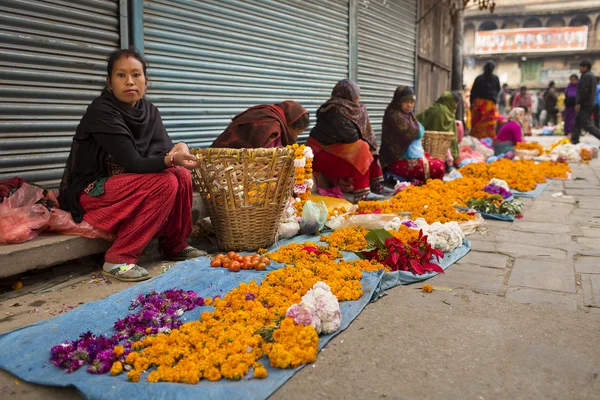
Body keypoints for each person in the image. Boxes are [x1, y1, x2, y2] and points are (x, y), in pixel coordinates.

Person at [59, 48, 206, 282]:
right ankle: (118, 258)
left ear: (146, 81)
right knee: (166, 181)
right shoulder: (102, 111)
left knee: (181, 175)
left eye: (136, 75)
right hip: (93, 190)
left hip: (131, 184)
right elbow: (135, 162)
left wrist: (181, 146)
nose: (130, 81)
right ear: (109, 82)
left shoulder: (149, 111)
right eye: (121, 75)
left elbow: (164, 153)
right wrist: (170, 158)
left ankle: (175, 244)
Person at [307, 79, 385, 203]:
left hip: (335, 152)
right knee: (362, 148)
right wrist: (361, 116)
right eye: (356, 95)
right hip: (321, 156)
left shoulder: (347, 109)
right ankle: (362, 193)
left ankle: (376, 185)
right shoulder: (335, 110)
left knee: (369, 147)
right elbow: (352, 137)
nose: (358, 98)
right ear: (349, 95)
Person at [379, 86, 445, 181]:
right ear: (398, 101)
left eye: (411, 102)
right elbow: (417, 132)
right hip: (396, 161)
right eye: (406, 102)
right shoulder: (393, 115)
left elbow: (417, 131)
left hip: (410, 156)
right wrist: (419, 129)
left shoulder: (409, 115)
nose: (409, 105)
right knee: (438, 167)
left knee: (440, 162)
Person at [211, 101, 309, 148]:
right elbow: (268, 155)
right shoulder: (272, 124)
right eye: (298, 133)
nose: (295, 137)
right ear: (291, 124)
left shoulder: (269, 113)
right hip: (226, 162)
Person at [416, 91, 461, 164]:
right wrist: (455, 155)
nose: (456, 105)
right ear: (451, 101)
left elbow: (420, 119)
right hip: (440, 148)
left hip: (428, 145)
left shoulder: (435, 108)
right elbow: (453, 136)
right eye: (455, 103)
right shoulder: (446, 112)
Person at [470, 61, 501, 139]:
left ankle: (476, 139)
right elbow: (498, 90)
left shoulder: (479, 78)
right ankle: (488, 140)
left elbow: (473, 92)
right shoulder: (495, 78)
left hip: (479, 104)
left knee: (477, 123)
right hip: (490, 105)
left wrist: (471, 103)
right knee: (489, 124)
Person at [572, 60, 600, 144]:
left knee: (586, 123)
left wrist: (579, 103)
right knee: (577, 121)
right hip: (589, 102)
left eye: (581, 67)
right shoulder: (591, 76)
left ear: (585, 67)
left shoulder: (586, 76)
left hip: (585, 103)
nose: (580, 69)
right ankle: (574, 140)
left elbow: (584, 91)